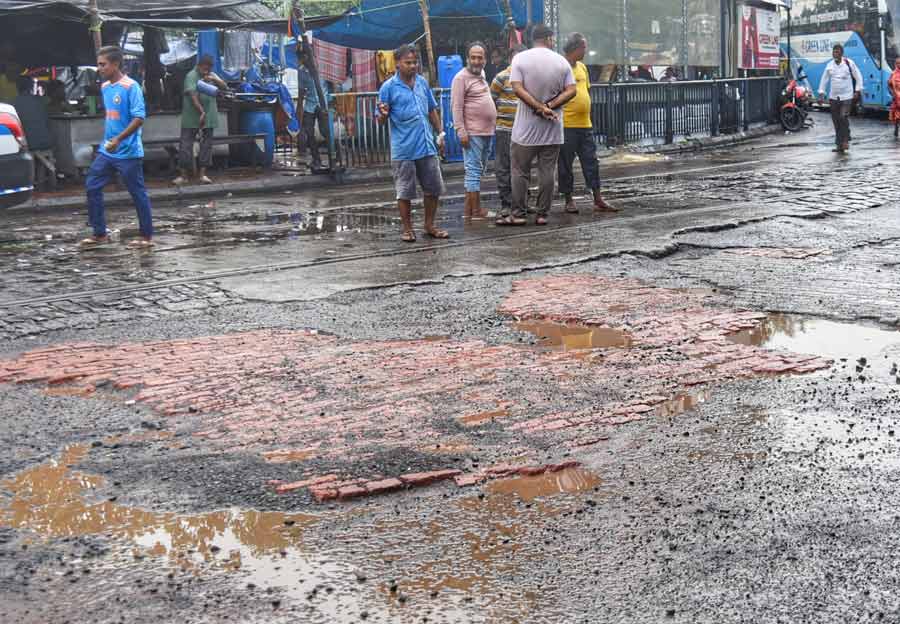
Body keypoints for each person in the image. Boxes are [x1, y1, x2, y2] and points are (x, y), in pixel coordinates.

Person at [500, 24, 576, 226]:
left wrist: (538, 107)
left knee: (520, 171)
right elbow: (571, 91)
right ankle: (542, 214)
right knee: (547, 172)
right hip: (552, 129)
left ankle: (518, 214)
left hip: (525, 130)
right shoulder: (562, 62)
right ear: (549, 38)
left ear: (533, 39)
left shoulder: (520, 59)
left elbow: (517, 88)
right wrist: (549, 106)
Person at [80, 46, 154, 249]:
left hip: (128, 152)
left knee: (137, 193)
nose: (99, 68)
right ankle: (99, 233)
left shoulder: (132, 87)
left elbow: (139, 118)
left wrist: (119, 139)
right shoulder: (105, 88)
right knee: (92, 185)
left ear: (115, 64)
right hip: (108, 150)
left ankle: (146, 237)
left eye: (102, 64)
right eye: (99, 64)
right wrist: (111, 141)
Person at [377, 44, 449, 242]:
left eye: (415, 62)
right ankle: (407, 229)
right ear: (397, 64)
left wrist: (440, 133)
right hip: (404, 148)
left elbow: (431, 110)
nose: (413, 66)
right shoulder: (388, 88)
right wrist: (383, 115)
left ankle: (429, 224)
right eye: (408, 62)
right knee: (405, 191)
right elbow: (381, 119)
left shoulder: (422, 83)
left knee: (433, 188)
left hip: (426, 144)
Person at [557, 34, 616, 215]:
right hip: (567, 125)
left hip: (585, 124)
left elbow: (586, 90)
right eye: (584, 48)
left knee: (591, 162)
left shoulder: (582, 67)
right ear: (576, 48)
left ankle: (598, 198)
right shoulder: (560, 68)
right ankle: (568, 199)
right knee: (565, 164)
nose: (586, 51)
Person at [452, 41, 497, 219]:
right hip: (472, 132)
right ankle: (476, 211)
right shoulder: (460, 78)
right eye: (473, 57)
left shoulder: (482, 74)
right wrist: (461, 131)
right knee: (473, 171)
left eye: (480, 58)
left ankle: (468, 211)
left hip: (486, 131)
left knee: (478, 171)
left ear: (485, 59)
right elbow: (456, 107)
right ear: (467, 58)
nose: (477, 61)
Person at [174, 55, 226, 185]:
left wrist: (214, 79)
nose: (206, 71)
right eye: (204, 68)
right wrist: (201, 111)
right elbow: (193, 95)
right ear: (198, 66)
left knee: (206, 145)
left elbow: (224, 86)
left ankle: (202, 175)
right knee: (186, 145)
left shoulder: (212, 75)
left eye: (208, 69)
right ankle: (183, 176)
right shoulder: (191, 76)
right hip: (192, 116)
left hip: (209, 116)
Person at [491, 44, 526, 216]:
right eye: (515, 57)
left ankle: (522, 203)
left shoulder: (529, 78)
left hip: (524, 131)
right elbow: (491, 100)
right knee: (503, 167)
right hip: (504, 129)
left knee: (522, 168)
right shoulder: (501, 77)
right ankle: (506, 203)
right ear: (510, 59)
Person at [818, 43, 862, 153]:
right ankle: (839, 145)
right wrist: (821, 93)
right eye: (834, 52)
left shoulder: (849, 63)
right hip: (833, 97)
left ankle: (846, 140)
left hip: (847, 96)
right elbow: (824, 80)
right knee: (836, 121)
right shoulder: (829, 65)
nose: (835, 54)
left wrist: (857, 90)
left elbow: (858, 76)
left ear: (842, 53)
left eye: (837, 52)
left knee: (843, 117)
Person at [298, 51, 325, 169]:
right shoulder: (301, 71)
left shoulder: (321, 67)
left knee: (326, 131)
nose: (304, 60)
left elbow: (332, 85)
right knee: (309, 133)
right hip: (310, 105)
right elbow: (301, 91)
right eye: (302, 58)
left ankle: (336, 156)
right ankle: (316, 159)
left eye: (305, 57)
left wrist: (333, 104)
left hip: (322, 103)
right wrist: (299, 107)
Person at [13, 75, 52, 151]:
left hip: (29, 144)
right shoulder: (42, 101)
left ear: (17, 87)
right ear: (31, 87)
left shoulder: (12, 104)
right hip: (46, 142)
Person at [888, 58, 900, 138]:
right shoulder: (893, 73)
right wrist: (892, 93)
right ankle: (896, 128)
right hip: (896, 97)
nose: (899, 65)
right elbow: (889, 85)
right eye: (897, 63)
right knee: (896, 115)